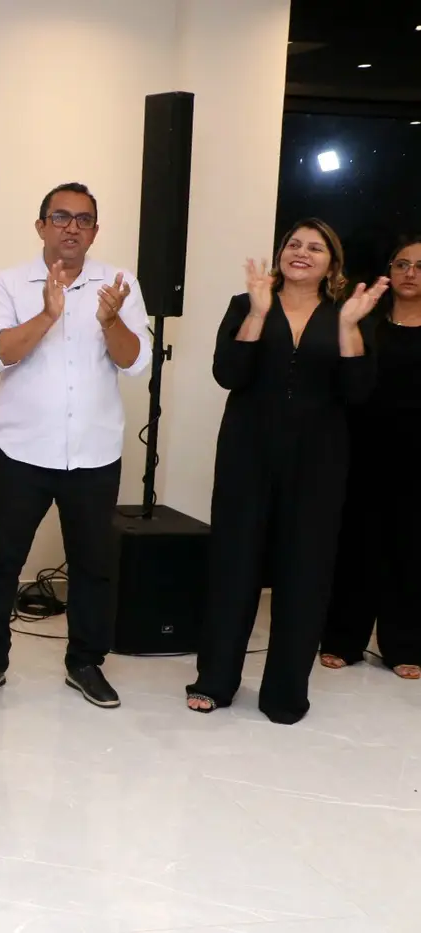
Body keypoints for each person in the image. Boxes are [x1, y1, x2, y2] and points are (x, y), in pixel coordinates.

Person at [186, 220, 388, 723]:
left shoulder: (349, 313)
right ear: (280, 254)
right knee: (233, 566)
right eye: (293, 244)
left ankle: (285, 692)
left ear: (332, 263)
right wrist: (258, 314)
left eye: (315, 247)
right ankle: (215, 680)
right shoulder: (246, 303)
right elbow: (228, 373)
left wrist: (348, 328)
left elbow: (358, 392)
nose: (301, 252)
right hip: (247, 454)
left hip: (319, 460)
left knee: (305, 572)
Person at [0, 182, 150, 709]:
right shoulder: (8, 283)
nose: (72, 227)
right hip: (21, 450)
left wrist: (110, 321)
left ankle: (85, 663)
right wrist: (48, 314)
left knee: (92, 565)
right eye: (61, 217)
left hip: (93, 453)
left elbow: (136, 362)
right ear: (41, 225)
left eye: (84, 219)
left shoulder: (118, 284)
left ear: (95, 230)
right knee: (2, 560)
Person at [320, 236, 421, 680]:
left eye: (420, 266)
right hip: (361, 448)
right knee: (355, 544)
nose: (410, 273)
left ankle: (405, 645)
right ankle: (343, 639)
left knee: (411, 548)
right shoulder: (365, 323)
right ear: (389, 270)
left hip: (416, 456)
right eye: (402, 264)